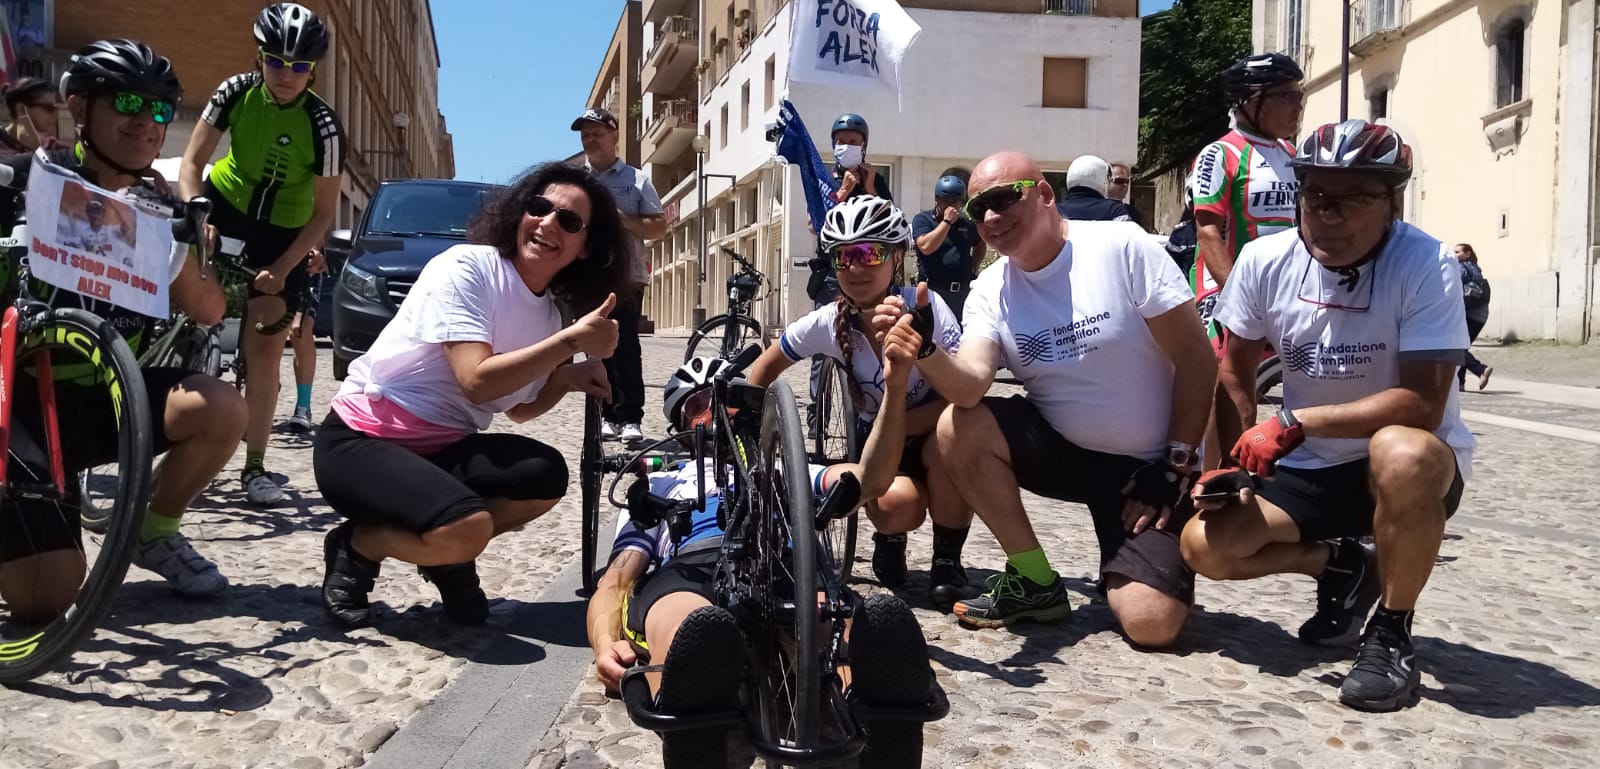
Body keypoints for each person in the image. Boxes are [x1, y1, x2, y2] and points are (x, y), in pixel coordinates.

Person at [1179, 120, 1475, 712]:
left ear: (1392, 202)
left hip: (1402, 468)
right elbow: (1234, 372)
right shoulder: (1266, 260)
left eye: (1353, 199)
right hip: (1308, 466)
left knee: (1404, 448)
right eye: (1315, 195)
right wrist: (1228, 471)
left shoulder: (1427, 263)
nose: (1328, 214)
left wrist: (1299, 423)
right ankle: (1343, 567)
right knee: (1206, 547)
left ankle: (1392, 633)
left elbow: (1422, 404)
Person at [873, 152, 1216, 645]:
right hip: (1064, 451)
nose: (990, 216)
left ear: (1046, 194)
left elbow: (1197, 357)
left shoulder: (1121, 246)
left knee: (1150, 623)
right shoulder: (991, 287)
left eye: (1003, 197)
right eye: (977, 209)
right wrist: (924, 349)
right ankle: (1035, 581)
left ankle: (1130, 563)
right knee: (958, 423)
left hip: (1148, 469)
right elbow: (970, 383)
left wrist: (1177, 463)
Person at [590, 327, 936, 768]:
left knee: (838, 620)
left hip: (783, 561)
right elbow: (617, 580)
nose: (716, 413)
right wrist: (605, 643)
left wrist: (895, 388)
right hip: (692, 564)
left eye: (726, 403)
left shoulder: (781, 463)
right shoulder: (661, 482)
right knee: (689, 625)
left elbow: (870, 480)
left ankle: (870, 711)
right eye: (699, 406)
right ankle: (701, 724)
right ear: (680, 429)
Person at [313, 163, 631, 629]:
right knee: (469, 527)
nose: (547, 223)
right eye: (539, 207)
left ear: (586, 248)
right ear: (520, 211)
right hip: (362, 440)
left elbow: (517, 408)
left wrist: (564, 379)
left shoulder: (546, 317)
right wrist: (572, 343)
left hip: (441, 448)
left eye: (569, 221)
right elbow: (476, 382)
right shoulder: (467, 267)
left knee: (543, 476)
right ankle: (359, 545)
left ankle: (444, 550)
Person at [0, 39, 248, 613]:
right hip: (19, 407)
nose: (147, 123)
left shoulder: (157, 215)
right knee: (48, 595)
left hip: (104, 403)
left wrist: (175, 242)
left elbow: (210, 310)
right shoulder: (26, 183)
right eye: (129, 104)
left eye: (160, 111)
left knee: (221, 407)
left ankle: (151, 530)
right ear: (81, 108)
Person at [747, 195, 963, 593]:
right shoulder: (829, 321)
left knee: (956, 438)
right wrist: (745, 425)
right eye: (844, 257)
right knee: (900, 505)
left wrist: (909, 417)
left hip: (931, 428)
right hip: (879, 443)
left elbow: (962, 395)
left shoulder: (930, 307)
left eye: (870, 252)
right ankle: (891, 535)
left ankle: (947, 557)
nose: (856, 267)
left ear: (897, 256)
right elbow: (766, 366)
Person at [178, 2, 344, 506]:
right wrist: (196, 216)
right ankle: (164, 433)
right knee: (175, 315)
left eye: (298, 67)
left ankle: (254, 466)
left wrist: (285, 267)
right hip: (223, 208)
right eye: (276, 62)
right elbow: (190, 163)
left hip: (283, 234)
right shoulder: (232, 92)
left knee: (266, 349)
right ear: (259, 58)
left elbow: (323, 215)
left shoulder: (325, 126)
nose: (286, 75)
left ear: (312, 70)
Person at [1188, 53, 1304, 348]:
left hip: (1280, 295)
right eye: (1287, 95)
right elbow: (1208, 233)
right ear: (1250, 100)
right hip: (1227, 294)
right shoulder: (1219, 154)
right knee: (1225, 386)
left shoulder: (1291, 154)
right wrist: (1237, 301)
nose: (1298, 104)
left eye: (1299, 94)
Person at [574, 107, 663, 447]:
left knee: (624, 344)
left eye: (596, 132)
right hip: (586, 274)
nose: (590, 139)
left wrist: (621, 218)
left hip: (626, 274)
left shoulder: (637, 180)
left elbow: (659, 227)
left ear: (614, 135)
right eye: (585, 134)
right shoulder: (576, 180)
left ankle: (630, 417)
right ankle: (607, 415)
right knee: (593, 345)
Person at [912, 174, 985, 319]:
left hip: (962, 292)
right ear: (936, 199)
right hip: (934, 290)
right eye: (945, 200)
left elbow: (980, 242)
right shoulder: (923, 219)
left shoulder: (966, 222)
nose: (950, 205)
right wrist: (947, 222)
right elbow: (926, 246)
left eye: (956, 201)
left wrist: (974, 265)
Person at [285, 256, 323, 432]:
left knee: (298, 330)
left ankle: (303, 406)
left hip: (305, 260)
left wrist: (317, 249)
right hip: (266, 256)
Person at [1454, 243, 1493, 391]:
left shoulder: (1461, 268)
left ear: (1468, 253)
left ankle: (1481, 370)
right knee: (1462, 346)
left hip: (1467, 314)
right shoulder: (1476, 268)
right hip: (1480, 316)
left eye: (1457, 252)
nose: (1454, 255)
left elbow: (1451, 286)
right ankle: (1460, 383)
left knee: (1457, 348)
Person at [1056, 154, 1138, 223]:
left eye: (1126, 181)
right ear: (1103, 180)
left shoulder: (1053, 212)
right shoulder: (1115, 211)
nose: (1124, 185)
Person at [0, 77, 61, 156]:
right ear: (21, 109)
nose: (55, 114)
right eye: (49, 108)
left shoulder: (55, 148)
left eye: (55, 108)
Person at [1108, 161, 1146, 228]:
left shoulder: (1133, 212)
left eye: (1127, 181)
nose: (1124, 185)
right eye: (1119, 181)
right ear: (1107, 181)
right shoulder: (1099, 209)